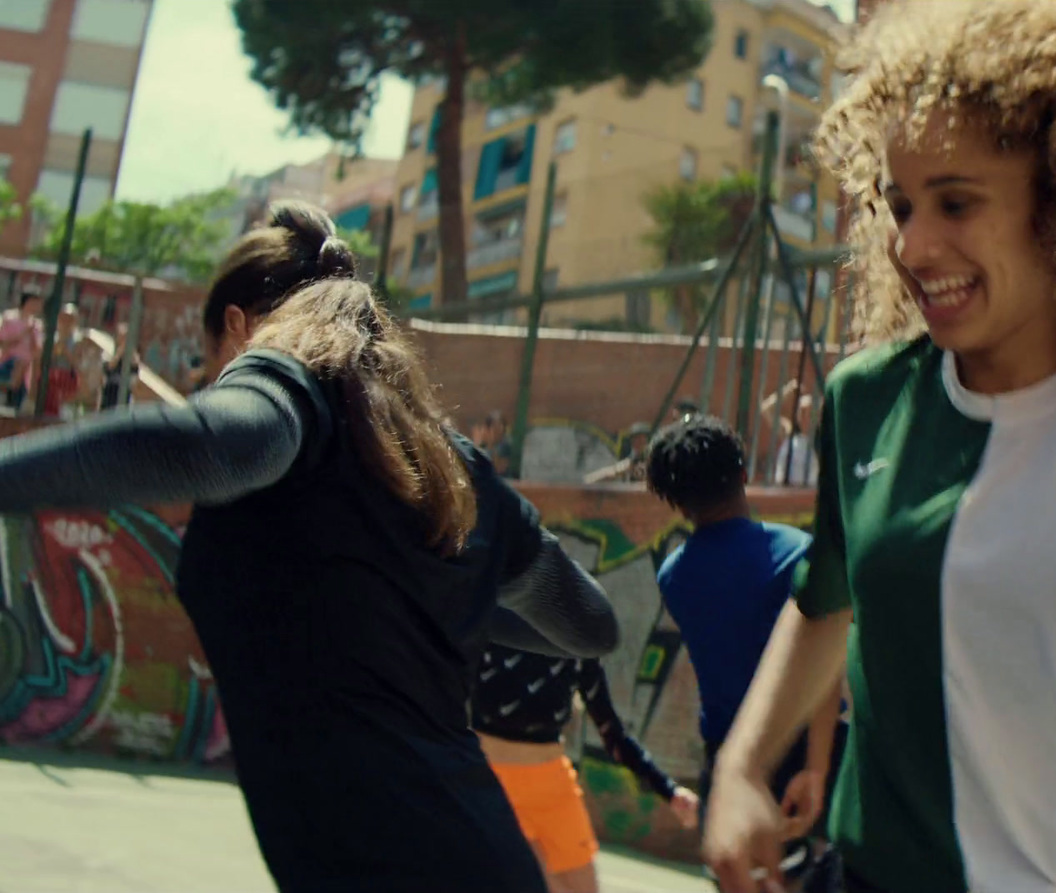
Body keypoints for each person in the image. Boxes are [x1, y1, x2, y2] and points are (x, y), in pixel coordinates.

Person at [700, 3, 1056, 893]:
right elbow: (826, 600)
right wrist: (743, 768)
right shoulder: (867, 398)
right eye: (898, 204)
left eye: (957, 202)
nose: (912, 243)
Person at [0, 200, 620, 893]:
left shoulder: (284, 390)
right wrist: (454, 608)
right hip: (481, 857)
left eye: (211, 364)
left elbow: (206, 447)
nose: (214, 386)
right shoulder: (458, 471)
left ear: (241, 329)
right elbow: (590, 623)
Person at [645, 414, 847, 891]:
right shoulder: (799, 554)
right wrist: (817, 767)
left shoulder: (673, 576)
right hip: (807, 754)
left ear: (675, 502)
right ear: (743, 473)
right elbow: (823, 672)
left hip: (728, 760)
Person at [472, 644, 699, 893]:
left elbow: (612, 733)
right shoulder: (487, 628)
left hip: (554, 789)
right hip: (492, 786)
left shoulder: (576, 646)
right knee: (537, 880)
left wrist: (669, 790)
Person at [0, 291, 44, 411]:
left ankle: (13, 390)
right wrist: (24, 333)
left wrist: (33, 337)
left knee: (15, 407)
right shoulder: (9, 318)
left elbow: (36, 352)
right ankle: (10, 386)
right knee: (20, 362)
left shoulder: (37, 325)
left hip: (25, 373)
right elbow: (3, 343)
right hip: (7, 363)